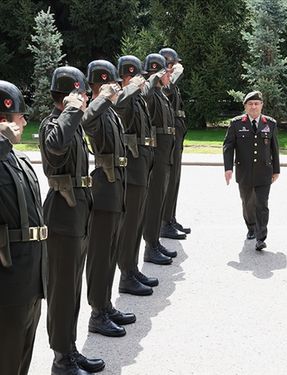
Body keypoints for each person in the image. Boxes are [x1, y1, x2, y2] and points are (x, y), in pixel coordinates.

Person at [40, 66, 104, 374]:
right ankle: (61, 359)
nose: (84, 98)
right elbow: (54, 147)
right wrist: (71, 110)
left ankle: (70, 348)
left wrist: (76, 111)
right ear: (67, 95)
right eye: (79, 93)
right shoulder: (54, 125)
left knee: (73, 289)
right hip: (62, 214)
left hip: (78, 211)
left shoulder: (72, 123)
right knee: (63, 290)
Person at [84, 60, 136, 338]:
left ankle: (105, 305)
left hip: (117, 187)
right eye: (110, 84)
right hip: (104, 190)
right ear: (98, 86)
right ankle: (97, 313)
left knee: (111, 252)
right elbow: (86, 119)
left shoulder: (110, 112)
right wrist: (102, 97)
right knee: (100, 256)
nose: (116, 87)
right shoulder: (96, 111)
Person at [0, 81, 47, 375]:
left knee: (21, 359)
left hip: (30, 278)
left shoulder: (18, 159)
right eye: (19, 115)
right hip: (7, 281)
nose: (24, 121)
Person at [114, 55, 159, 296]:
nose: (138, 80)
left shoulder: (138, 99)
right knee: (130, 223)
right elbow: (118, 104)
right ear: (124, 78)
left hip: (142, 165)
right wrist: (130, 87)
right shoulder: (124, 98)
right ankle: (126, 274)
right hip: (132, 169)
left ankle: (131, 268)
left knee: (138, 220)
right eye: (132, 76)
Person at [223, 91, 280, 251]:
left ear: (261, 105)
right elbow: (228, 146)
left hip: (264, 171)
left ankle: (261, 237)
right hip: (244, 172)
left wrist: (276, 170)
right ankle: (251, 227)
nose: (254, 106)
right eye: (250, 104)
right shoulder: (236, 124)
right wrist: (228, 168)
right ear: (245, 106)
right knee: (247, 203)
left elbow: (274, 148)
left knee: (262, 204)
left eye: (257, 103)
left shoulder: (270, 123)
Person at [141, 53, 177, 265]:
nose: (169, 76)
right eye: (166, 72)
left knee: (159, 199)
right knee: (154, 202)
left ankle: (154, 242)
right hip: (156, 154)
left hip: (165, 153)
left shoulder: (161, 94)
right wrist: (154, 77)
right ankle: (150, 245)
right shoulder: (150, 93)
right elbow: (143, 95)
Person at [159, 47, 191, 239]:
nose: (176, 67)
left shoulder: (171, 82)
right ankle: (164, 222)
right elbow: (166, 90)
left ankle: (170, 218)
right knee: (168, 181)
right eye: (173, 64)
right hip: (168, 138)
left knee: (175, 180)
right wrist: (174, 76)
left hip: (176, 136)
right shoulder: (161, 83)